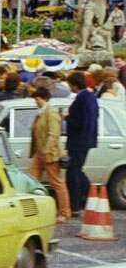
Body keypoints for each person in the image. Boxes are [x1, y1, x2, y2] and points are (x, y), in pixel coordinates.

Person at [27, 87, 70, 224]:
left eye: (37, 99)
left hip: (49, 154)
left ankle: (64, 212)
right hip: (40, 153)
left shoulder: (51, 112)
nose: (35, 102)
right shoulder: (40, 113)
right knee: (31, 181)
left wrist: (45, 151)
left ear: (43, 98)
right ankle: (31, 210)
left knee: (57, 183)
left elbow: (54, 134)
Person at [65, 70, 99, 214]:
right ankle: (92, 194)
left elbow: (79, 122)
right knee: (77, 171)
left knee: (73, 173)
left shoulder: (82, 98)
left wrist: (67, 117)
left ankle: (75, 205)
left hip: (78, 141)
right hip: (86, 140)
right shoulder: (90, 97)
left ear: (74, 85)